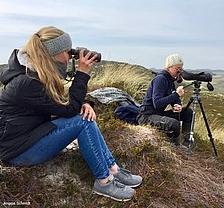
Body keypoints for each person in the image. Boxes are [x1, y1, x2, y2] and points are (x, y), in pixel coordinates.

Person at [0, 26, 142, 202]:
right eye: (68, 52)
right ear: (53, 53)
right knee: (83, 121)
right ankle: (104, 182)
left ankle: (113, 169)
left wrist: (83, 103)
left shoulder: (32, 73)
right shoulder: (26, 83)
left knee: (84, 117)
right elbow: (68, 110)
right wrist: (82, 73)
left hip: (28, 137)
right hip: (18, 152)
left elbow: (60, 103)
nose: (70, 57)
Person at [136, 54, 193, 149]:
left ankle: (186, 141)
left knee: (188, 112)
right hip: (147, 116)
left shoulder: (170, 81)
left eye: (181, 68)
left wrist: (177, 105)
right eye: (177, 68)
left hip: (159, 114)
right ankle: (177, 146)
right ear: (169, 67)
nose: (179, 71)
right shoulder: (160, 79)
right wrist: (176, 95)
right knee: (174, 124)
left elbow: (174, 99)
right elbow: (157, 103)